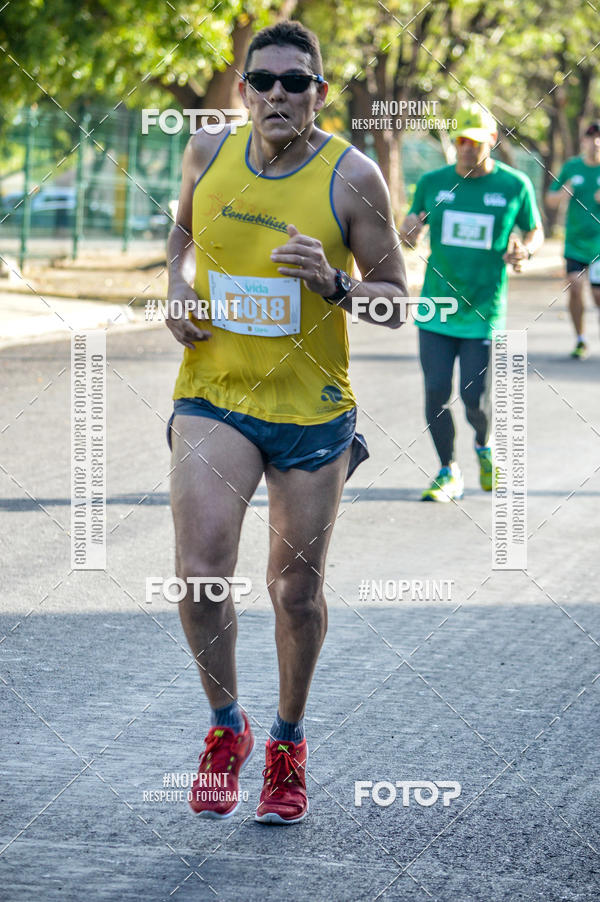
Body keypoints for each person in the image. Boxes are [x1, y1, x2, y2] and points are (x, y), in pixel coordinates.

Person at [165, 20, 407, 824]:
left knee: (295, 593)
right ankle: (225, 726)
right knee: (201, 575)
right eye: (262, 81)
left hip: (311, 414)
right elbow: (181, 233)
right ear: (243, 91)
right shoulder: (208, 150)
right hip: (215, 394)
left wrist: (335, 282)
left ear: (319, 94)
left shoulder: (353, 177)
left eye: (294, 82)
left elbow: (397, 303)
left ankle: (287, 741)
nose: (277, 94)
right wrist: (176, 286)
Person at [400, 103, 544, 503]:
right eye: (461, 140)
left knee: (473, 399)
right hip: (435, 307)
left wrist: (525, 251)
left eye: (475, 141)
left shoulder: (514, 185)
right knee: (435, 391)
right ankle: (448, 470)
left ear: (492, 141)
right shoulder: (432, 182)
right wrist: (408, 231)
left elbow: (534, 230)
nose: (466, 147)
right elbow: (411, 227)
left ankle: (484, 444)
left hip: (483, 310)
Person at [545, 120, 600, 359]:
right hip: (575, 244)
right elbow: (550, 200)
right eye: (591, 137)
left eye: (599, 137)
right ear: (584, 141)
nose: (596, 142)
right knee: (574, 286)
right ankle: (580, 339)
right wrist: (563, 193)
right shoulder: (572, 167)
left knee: (598, 296)